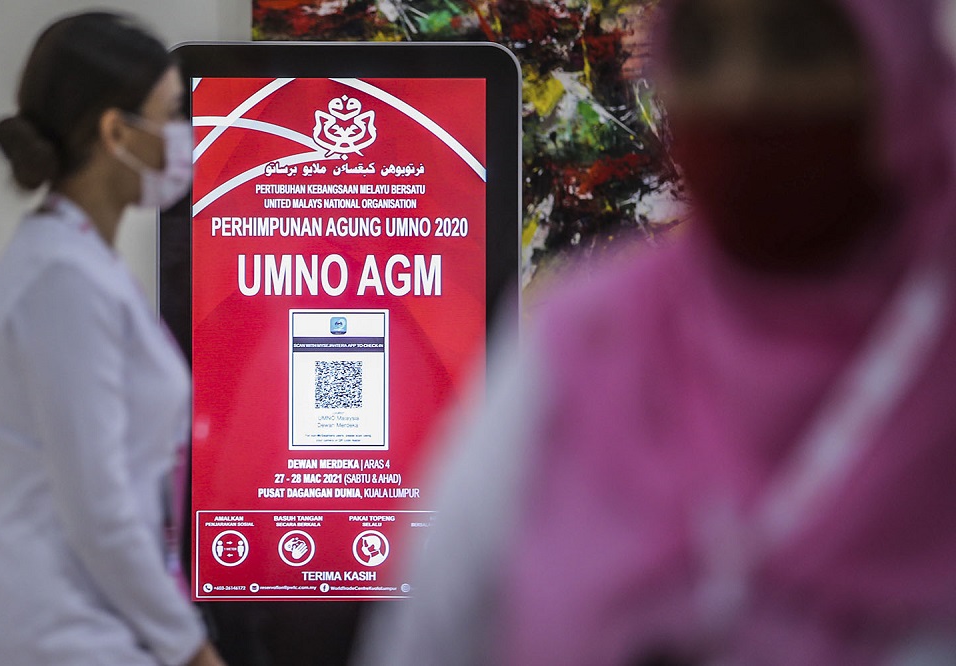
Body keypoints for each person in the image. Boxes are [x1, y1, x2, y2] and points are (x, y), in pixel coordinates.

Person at [355, 0, 956, 663]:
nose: (742, 90)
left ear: (900, 67)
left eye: (799, 43)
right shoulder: (588, 346)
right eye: (701, 49)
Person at [0, 12, 225, 666]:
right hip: (56, 632)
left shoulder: (77, 261)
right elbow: (100, 511)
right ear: (115, 132)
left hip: (85, 622)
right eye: (170, 113)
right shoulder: (62, 280)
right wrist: (192, 649)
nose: (184, 138)